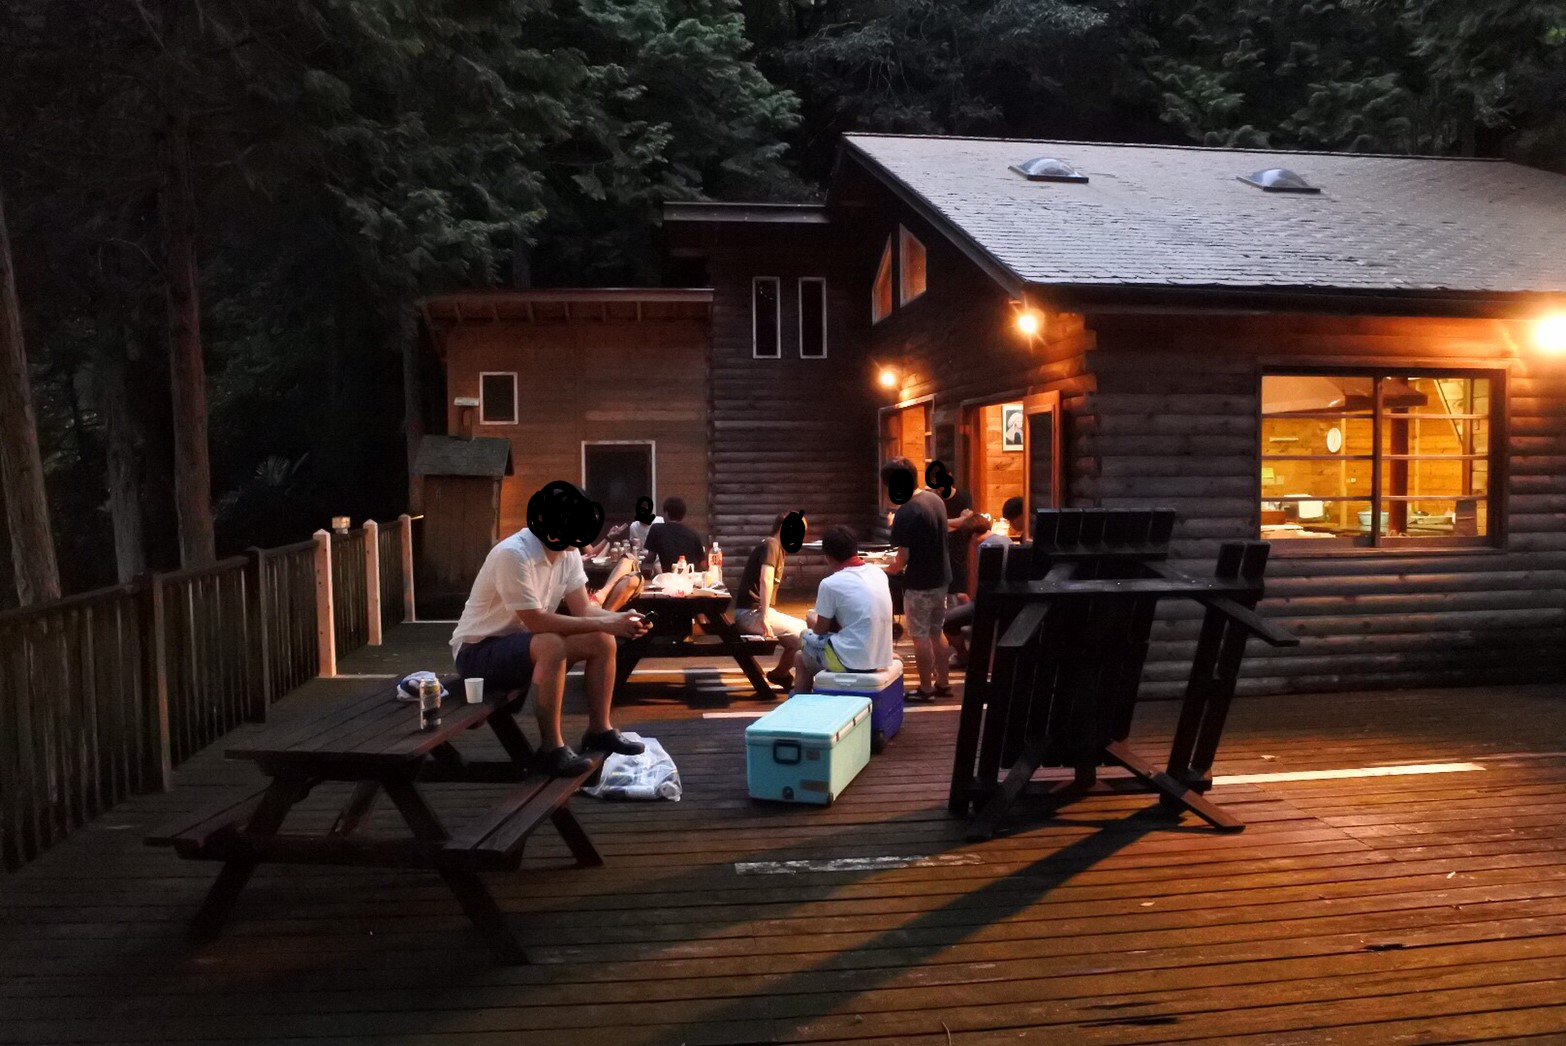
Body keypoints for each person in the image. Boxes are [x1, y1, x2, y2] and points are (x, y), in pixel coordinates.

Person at [451, 497, 651, 778]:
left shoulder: (568, 551)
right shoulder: (513, 553)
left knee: (601, 640)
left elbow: (583, 609)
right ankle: (551, 750)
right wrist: (609, 623)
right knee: (552, 643)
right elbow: (536, 621)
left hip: (523, 645)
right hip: (477, 654)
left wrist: (620, 620)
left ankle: (599, 731)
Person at [882, 456, 951, 700]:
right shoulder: (935, 499)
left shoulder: (907, 510)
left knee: (920, 635)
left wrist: (886, 569)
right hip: (941, 578)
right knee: (937, 631)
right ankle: (943, 682)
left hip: (920, 583)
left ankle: (925, 688)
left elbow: (902, 558)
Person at [796, 525, 894, 694]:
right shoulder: (879, 573)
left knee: (803, 642)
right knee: (806, 653)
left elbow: (820, 630)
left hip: (852, 660)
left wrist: (811, 619)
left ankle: (800, 704)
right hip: (880, 656)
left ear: (828, 556)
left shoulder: (830, 584)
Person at [945, 496, 1024, 666]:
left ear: (973, 535)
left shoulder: (985, 547)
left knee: (949, 621)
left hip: (991, 604)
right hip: (1010, 599)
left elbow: (986, 584)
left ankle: (963, 656)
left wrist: (971, 601)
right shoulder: (1006, 540)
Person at [735, 512, 807, 690]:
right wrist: (765, 617)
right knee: (806, 635)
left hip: (753, 612)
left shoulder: (776, 548)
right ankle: (780, 674)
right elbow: (765, 579)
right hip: (751, 614)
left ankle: (780, 674)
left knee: (802, 635)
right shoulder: (772, 545)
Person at [642, 496, 706, 574]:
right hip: (690, 578)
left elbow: (650, 558)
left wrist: (640, 563)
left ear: (666, 513)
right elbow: (702, 563)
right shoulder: (693, 534)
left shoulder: (657, 529)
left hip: (669, 578)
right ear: (683, 515)